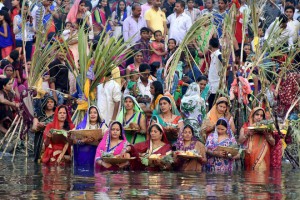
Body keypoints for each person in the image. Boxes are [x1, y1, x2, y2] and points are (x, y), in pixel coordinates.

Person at [72, 105, 107, 172]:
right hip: (83, 155)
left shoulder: (103, 126)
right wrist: (83, 141)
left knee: (96, 176)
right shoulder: (81, 126)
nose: (92, 115)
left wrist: (99, 141)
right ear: (88, 115)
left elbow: (108, 139)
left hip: (97, 154)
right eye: (90, 113)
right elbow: (73, 138)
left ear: (98, 114)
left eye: (95, 112)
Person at [31, 96, 56, 162]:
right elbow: (34, 128)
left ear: (54, 104)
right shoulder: (39, 114)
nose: (50, 103)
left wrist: (45, 126)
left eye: (52, 102)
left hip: (52, 139)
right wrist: (37, 127)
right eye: (47, 102)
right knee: (38, 159)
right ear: (44, 103)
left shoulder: (56, 115)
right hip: (40, 138)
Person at [207, 38, 222, 109]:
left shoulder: (218, 54)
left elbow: (223, 61)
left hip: (216, 84)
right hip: (212, 83)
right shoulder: (213, 55)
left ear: (210, 45)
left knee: (213, 104)